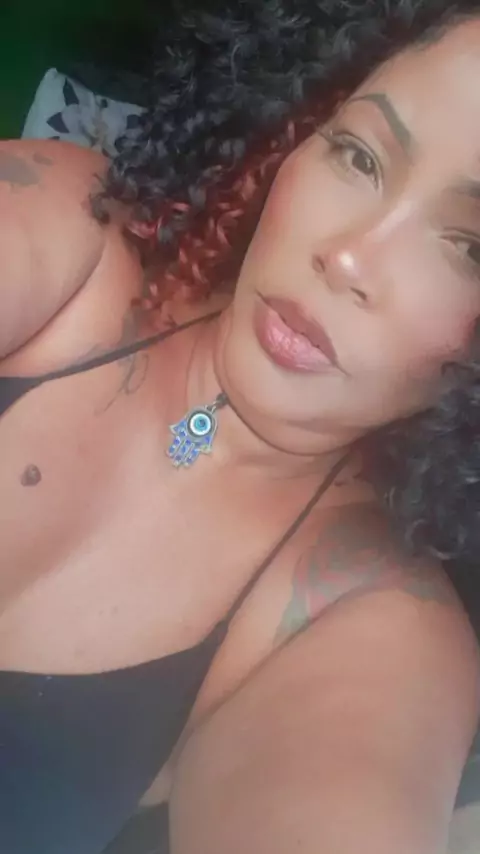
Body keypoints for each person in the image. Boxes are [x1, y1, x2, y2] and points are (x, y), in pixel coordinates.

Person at [2, 1, 480, 852]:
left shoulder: (370, 623)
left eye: (471, 248)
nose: (350, 254)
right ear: (295, 125)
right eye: (359, 154)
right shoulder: (73, 235)